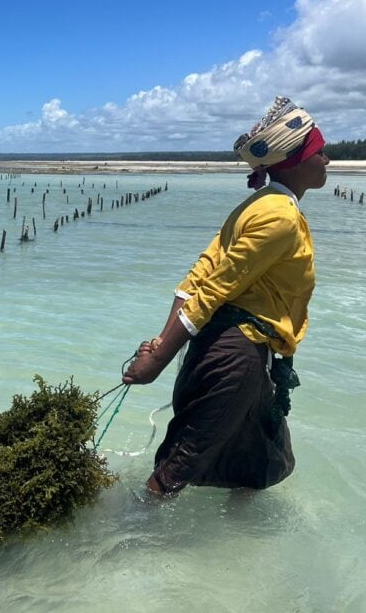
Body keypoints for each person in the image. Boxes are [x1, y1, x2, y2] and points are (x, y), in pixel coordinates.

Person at [122, 96, 330, 497]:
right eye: (321, 152)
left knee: (257, 456)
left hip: (229, 349)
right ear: (299, 161)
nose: (328, 160)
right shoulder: (280, 217)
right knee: (177, 468)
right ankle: (130, 539)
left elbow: (195, 279)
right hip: (236, 357)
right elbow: (212, 289)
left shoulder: (255, 205)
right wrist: (160, 357)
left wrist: (162, 344)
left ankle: (241, 544)